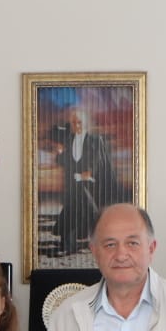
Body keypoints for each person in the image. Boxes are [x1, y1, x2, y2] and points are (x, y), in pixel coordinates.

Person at [51, 104, 123, 256]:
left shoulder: (95, 140)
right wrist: (60, 154)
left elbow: (96, 161)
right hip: (75, 184)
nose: (76, 125)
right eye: (73, 123)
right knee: (73, 210)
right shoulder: (68, 139)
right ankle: (68, 244)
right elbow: (64, 162)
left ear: (85, 123)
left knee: (79, 209)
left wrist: (87, 173)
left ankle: (99, 234)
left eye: (79, 122)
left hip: (91, 184)